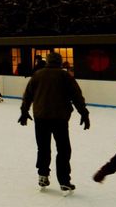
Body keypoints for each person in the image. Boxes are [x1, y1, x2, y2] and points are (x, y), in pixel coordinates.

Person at [19, 50, 89, 191]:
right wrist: (84, 113)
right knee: (63, 149)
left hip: (41, 118)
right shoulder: (65, 76)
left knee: (43, 148)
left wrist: (24, 111)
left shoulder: (37, 75)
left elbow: (28, 95)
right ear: (60, 61)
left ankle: (43, 176)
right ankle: (64, 180)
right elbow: (76, 96)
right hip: (59, 118)